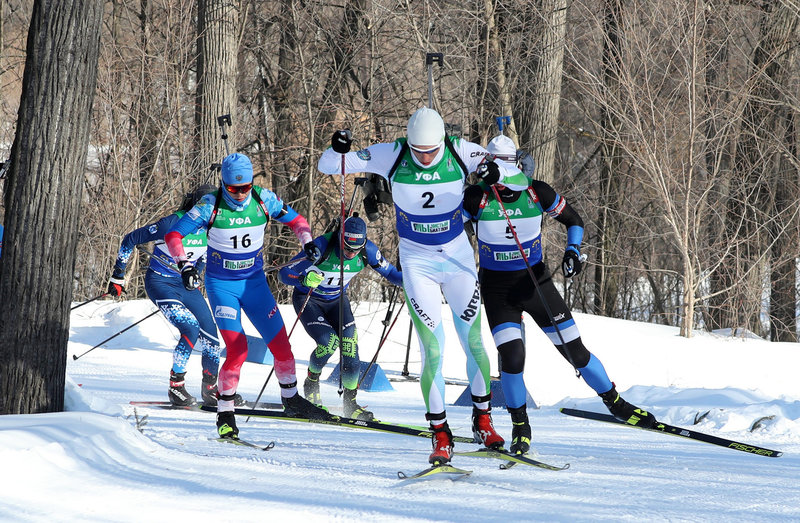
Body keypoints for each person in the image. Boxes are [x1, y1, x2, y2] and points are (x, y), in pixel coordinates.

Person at [317, 108, 530, 465]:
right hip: (418, 263)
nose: (426, 157)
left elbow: (519, 180)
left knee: (474, 342)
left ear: (442, 142)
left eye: (431, 151)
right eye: (419, 151)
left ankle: (482, 419)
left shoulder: (460, 150)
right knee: (433, 349)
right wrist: (338, 149)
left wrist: (496, 170)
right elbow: (328, 165)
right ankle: (441, 433)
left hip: (458, 258)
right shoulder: (393, 153)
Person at [462, 134, 657, 455]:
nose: (506, 178)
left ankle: (616, 404)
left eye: (509, 168)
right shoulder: (476, 198)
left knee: (576, 353)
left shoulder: (538, 192)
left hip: (536, 284)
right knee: (512, 358)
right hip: (497, 289)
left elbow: (573, 220)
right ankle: (520, 426)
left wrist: (573, 251)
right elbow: (452, 229)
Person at [165, 153, 330, 440]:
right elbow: (173, 236)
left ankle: (291, 399)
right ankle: (225, 414)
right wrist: (185, 265)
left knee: (281, 345)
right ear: (223, 184)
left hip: (254, 285)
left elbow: (298, 221)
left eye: (246, 187)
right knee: (238, 349)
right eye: (233, 189)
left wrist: (307, 242)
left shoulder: (263, 200)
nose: (241, 195)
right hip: (222, 287)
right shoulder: (210, 206)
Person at [107, 184, 235, 407]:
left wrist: (198, 270)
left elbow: (205, 255)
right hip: (160, 283)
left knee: (212, 336)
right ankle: (176, 387)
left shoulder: (212, 228)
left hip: (185, 286)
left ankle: (210, 389)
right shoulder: (171, 223)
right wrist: (118, 276)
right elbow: (130, 239)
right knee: (190, 328)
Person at [279, 215, 403, 420]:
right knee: (328, 343)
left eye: (355, 249)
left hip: (337, 300)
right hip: (309, 299)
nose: (351, 253)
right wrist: (302, 279)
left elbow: (391, 273)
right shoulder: (322, 246)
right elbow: (284, 274)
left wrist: (413, 282)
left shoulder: (368, 251)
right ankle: (311, 383)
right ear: (340, 239)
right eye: (346, 248)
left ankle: (350, 404)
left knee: (350, 347)